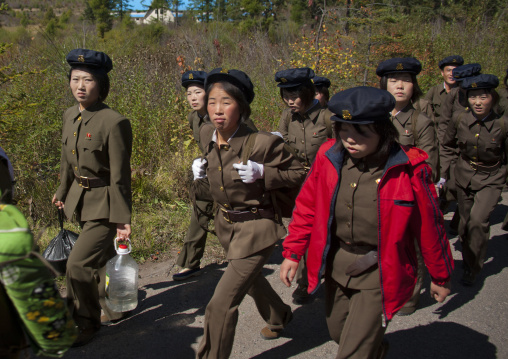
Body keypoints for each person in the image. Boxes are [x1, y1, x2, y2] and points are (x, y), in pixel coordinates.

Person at [280, 86, 454, 359]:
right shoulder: (329, 157)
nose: (350, 139)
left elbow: (430, 228)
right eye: (343, 130)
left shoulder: (408, 169)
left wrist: (440, 275)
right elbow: (307, 207)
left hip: (380, 269)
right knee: (339, 332)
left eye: (361, 131)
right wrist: (293, 252)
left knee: (353, 351)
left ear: (382, 130)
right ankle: (375, 349)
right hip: (337, 265)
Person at [193, 68, 305, 359]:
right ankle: (279, 315)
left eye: (227, 102)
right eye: (212, 101)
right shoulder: (207, 134)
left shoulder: (263, 143)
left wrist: (264, 173)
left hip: (257, 228)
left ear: (241, 107)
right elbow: (213, 183)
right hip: (227, 226)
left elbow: (299, 175)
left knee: (220, 304)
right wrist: (198, 175)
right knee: (252, 280)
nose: (218, 110)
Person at [52, 48, 133, 346]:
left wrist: (122, 219)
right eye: (75, 79)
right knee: (103, 260)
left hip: (106, 202)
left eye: (87, 80)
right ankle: (115, 306)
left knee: (77, 264)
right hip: (79, 198)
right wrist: (62, 191)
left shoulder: (114, 122)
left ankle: (85, 320)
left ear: (100, 84)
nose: (80, 86)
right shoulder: (69, 115)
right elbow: (66, 159)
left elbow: (121, 175)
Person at [441, 74, 507, 286]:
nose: (478, 102)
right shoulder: (460, 119)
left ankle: (473, 267)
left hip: (492, 178)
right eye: (473, 97)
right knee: (464, 226)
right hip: (463, 175)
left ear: (493, 98)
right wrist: (449, 169)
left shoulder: (502, 125)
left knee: (478, 222)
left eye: (483, 97)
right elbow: (447, 144)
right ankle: (470, 256)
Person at [275, 67, 334, 304]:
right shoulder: (288, 116)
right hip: (297, 182)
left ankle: (319, 277)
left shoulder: (327, 117)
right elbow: (282, 143)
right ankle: (306, 282)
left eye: (294, 96)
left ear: (309, 93)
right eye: (286, 96)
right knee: (302, 230)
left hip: (324, 183)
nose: (290, 101)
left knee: (324, 230)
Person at [173, 70, 212, 281]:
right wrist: (201, 161)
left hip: (234, 177)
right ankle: (190, 263)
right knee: (199, 212)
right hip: (209, 175)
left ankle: (247, 257)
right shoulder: (194, 118)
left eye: (198, 92)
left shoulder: (223, 113)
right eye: (189, 94)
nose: (193, 98)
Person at [423, 55, 464, 127]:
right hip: (438, 132)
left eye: (455, 71)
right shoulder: (434, 91)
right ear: (442, 73)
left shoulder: (463, 91)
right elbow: (425, 115)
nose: (452, 74)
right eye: (448, 70)